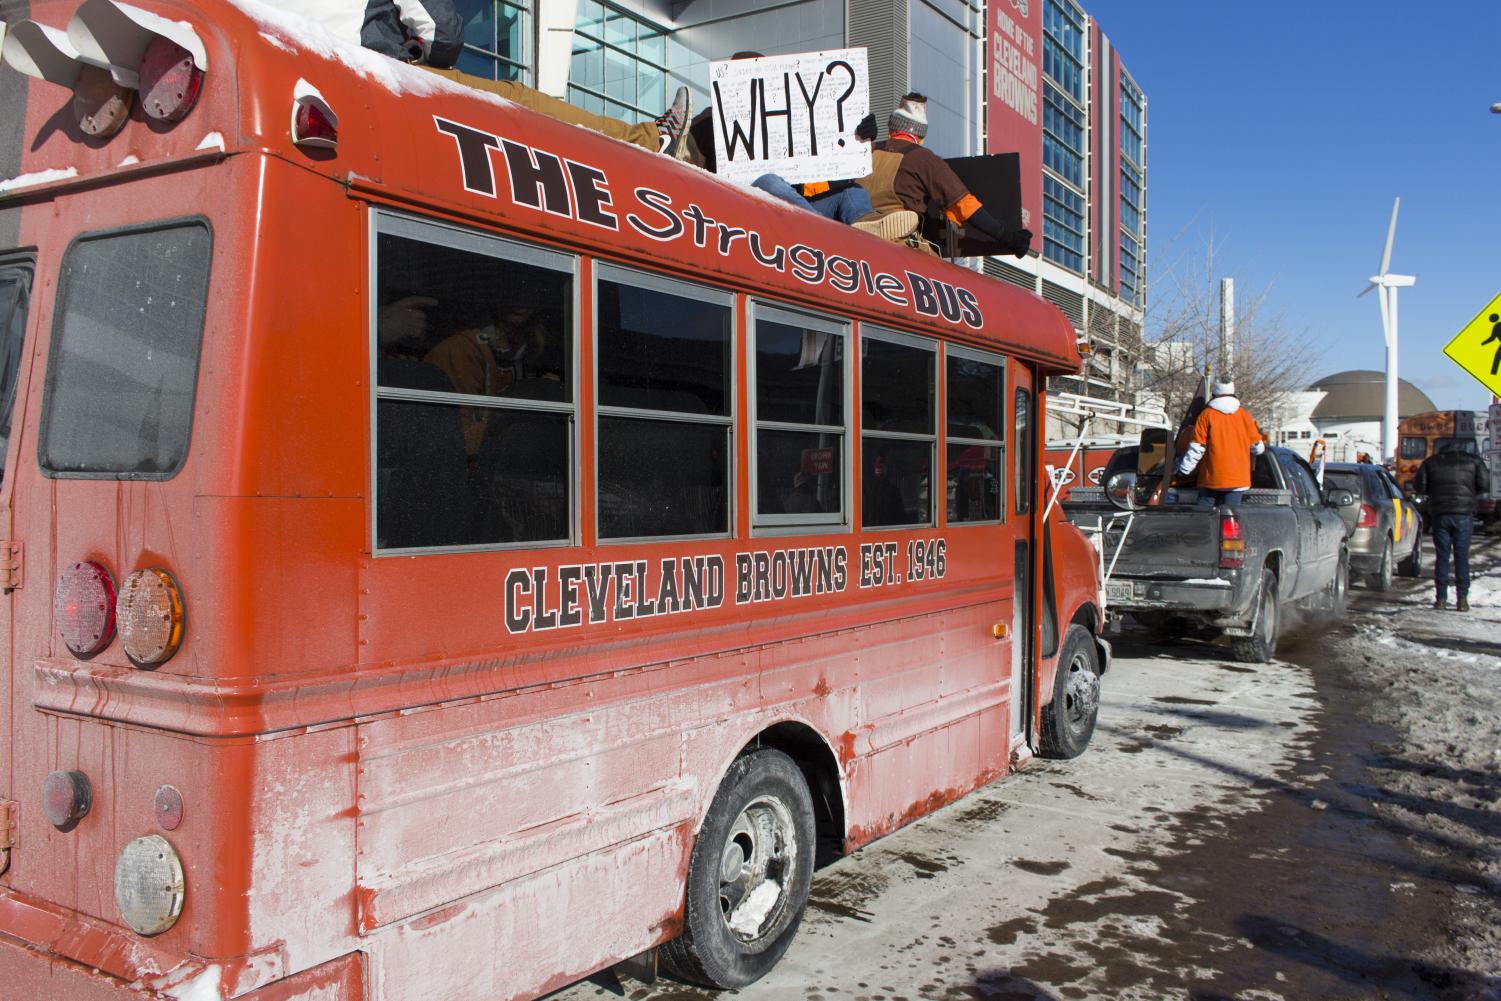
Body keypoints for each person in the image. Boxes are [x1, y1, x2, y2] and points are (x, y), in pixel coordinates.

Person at [276, 1, 692, 157]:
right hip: (376, 77)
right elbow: (444, 32)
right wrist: (419, 52)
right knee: (517, 98)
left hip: (297, 85)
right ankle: (650, 140)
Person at [855, 93, 1030, 254]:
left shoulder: (867, 150)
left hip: (852, 227)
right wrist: (1009, 237)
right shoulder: (924, 159)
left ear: (892, 127)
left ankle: (867, 220)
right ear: (921, 133)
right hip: (896, 240)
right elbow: (966, 206)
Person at [1413, 439, 1488, 611]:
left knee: (1442, 557)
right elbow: (1484, 485)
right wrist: (1470, 494)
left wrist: (1435, 492)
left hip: (1440, 515)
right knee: (1462, 557)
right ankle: (1462, 599)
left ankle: (1441, 599)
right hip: (1464, 515)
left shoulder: (1431, 462)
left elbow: (1420, 486)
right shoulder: (1474, 461)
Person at [1175, 380, 1268, 508]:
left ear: (1214, 394)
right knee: (1231, 518)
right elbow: (1258, 448)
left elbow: (1197, 447)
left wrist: (1184, 469)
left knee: (1205, 518)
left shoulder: (1206, 415)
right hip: (1238, 479)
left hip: (1211, 479)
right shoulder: (1244, 416)